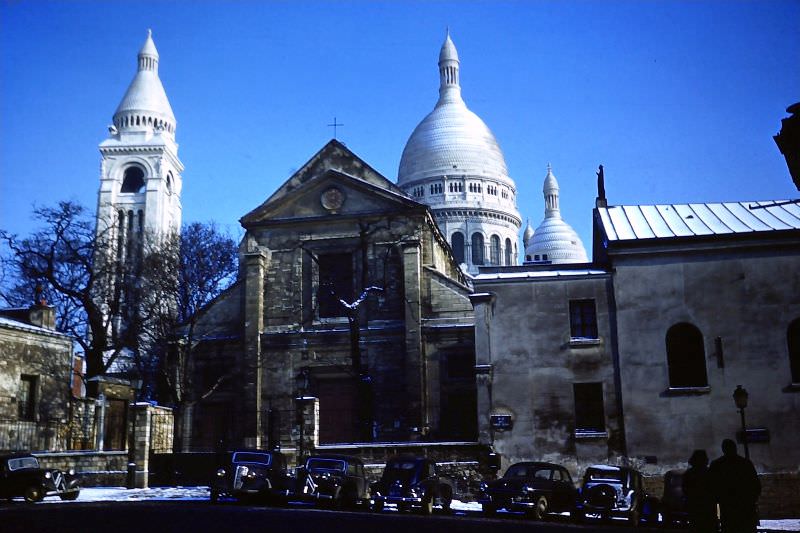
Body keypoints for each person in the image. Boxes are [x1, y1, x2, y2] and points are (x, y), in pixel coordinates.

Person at [709, 439, 761, 533]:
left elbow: (712, 486)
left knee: (730, 527)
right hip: (745, 505)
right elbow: (755, 484)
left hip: (727, 506)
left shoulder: (717, 465)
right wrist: (752, 498)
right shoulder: (745, 463)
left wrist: (717, 498)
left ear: (723, 449)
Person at [682, 449, 717, 533]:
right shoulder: (710, 473)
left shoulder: (689, 473)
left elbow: (685, 489)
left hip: (694, 506)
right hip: (708, 506)